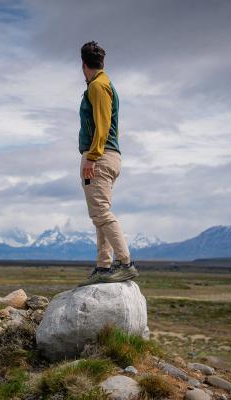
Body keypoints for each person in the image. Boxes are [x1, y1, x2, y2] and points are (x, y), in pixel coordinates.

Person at [77, 41, 139, 287]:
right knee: (100, 214)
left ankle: (125, 264)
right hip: (107, 156)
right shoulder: (105, 84)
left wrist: (91, 157)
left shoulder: (98, 86)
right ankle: (103, 266)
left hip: (100, 157)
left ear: (83, 65)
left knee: (101, 212)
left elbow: (101, 127)